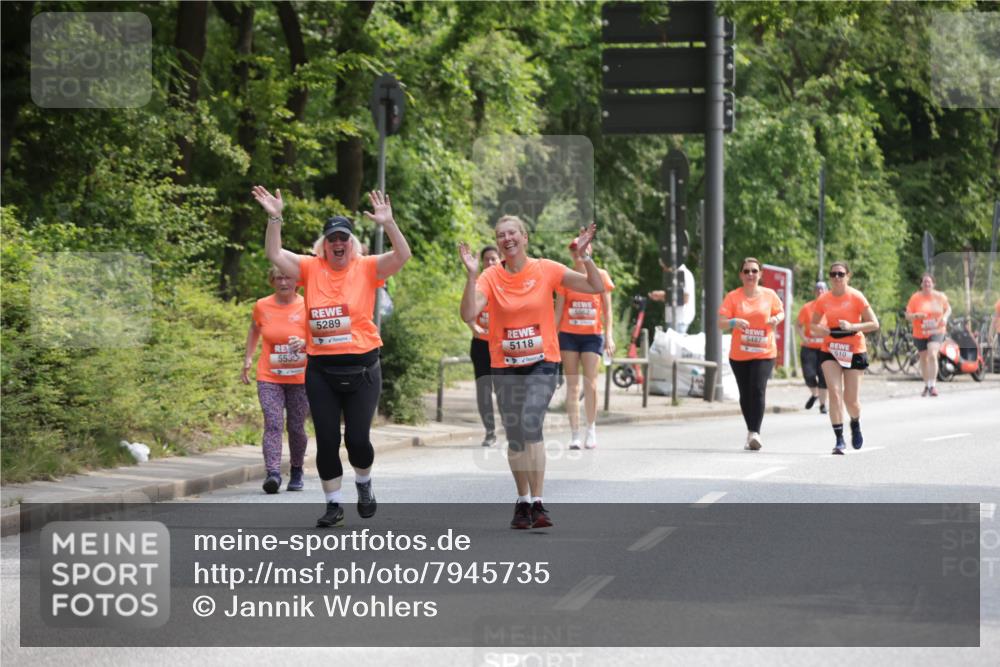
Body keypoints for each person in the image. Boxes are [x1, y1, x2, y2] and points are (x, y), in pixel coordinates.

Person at [252, 185, 411, 527]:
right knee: (326, 440)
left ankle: (364, 484)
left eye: (344, 239)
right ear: (323, 245)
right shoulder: (310, 268)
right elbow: (274, 253)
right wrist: (275, 218)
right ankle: (333, 503)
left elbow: (402, 256)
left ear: (352, 244)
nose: (338, 244)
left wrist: (388, 223)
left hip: (363, 366)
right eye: (332, 239)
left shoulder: (367, 267)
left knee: (357, 440)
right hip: (321, 369)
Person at [459, 217, 603, 529]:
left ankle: (538, 502)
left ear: (524, 237)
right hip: (505, 365)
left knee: (530, 421)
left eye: (512, 233)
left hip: (542, 362)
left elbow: (595, 286)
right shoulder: (490, 276)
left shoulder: (546, 269)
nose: (507, 238)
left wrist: (585, 257)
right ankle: (522, 500)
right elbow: (468, 312)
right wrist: (471, 277)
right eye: (500, 235)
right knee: (515, 434)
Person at [241, 267, 309, 494]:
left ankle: (297, 469)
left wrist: (305, 343)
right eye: (278, 278)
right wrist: (248, 357)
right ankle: (273, 473)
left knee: (296, 427)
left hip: (300, 377)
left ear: (297, 281)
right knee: (273, 423)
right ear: (272, 281)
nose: (283, 282)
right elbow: (254, 329)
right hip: (270, 376)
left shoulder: (307, 305)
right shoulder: (262, 305)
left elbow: (319, 335)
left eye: (288, 277)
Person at [811, 261, 880, 455]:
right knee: (834, 392)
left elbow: (874, 323)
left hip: (854, 348)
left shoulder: (856, 296)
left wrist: (852, 326)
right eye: (833, 274)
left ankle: (855, 423)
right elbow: (813, 325)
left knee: (851, 400)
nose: (837, 278)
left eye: (841, 274)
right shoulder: (824, 299)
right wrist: (822, 330)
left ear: (848, 276)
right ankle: (839, 439)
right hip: (831, 348)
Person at [718, 257, 784, 451]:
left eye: (754, 271)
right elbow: (720, 322)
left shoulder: (769, 295)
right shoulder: (733, 296)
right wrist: (733, 322)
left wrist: (776, 319)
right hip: (739, 354)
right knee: (745, 394)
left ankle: (755, 432)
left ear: (760, 274)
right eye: (746, 271)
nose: (750, 274)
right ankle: (750, 431)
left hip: (765, 351)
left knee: (757, 388)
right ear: (741, 275)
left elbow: (781, 312)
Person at [555, 244, 615, 449]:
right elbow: (558, 312)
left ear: (589, 251)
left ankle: (591, 429)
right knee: (572, 385)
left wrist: (609, 336)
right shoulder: (566, 277)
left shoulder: (601, 275)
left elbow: (608, 310)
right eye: (574, 250)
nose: (577, 253)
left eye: (581, 249)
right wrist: (551, 338)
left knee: (591, 383)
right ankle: (574, 435)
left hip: (592, 335)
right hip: (569, 335)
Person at [466, 246, 502, 447]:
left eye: (493, 259)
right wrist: (473, 325)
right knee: (483, 389)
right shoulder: (478, 283)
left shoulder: (507, 282)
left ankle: (511, 426)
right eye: (487, 259)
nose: (490, 262)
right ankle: (490, 431)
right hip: (481, 344)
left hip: (502, 346)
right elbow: (468, 310)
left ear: (500, 260)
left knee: (504, 389)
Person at [905, 273, 951, 397]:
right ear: (921, 284)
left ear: (933, 284)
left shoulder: (940, 296)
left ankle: (933, 385)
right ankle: (927, 385)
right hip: (919, 332)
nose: (926, 284)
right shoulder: (915, 298)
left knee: (932, 353)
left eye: (929, 282)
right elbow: (907, 315)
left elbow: (948, 309)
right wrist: (916, 316)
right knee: (923, 358)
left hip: (937, 330)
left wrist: (945, 318)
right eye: (924, 282)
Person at [796, 281, 829, 414]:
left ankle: (822, 405)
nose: (820, 291)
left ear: (827, 291)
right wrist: (803, 337)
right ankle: (815, 394)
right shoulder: (807, 307)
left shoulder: (830, 308)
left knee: (824, 377)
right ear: (814, 292)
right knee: (809, 375)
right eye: (818, 289)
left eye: (822, 289)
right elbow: (798, 325)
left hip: (825, 348)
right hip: (809, 347)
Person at [649, 263, 695, 333]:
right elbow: (674, 298)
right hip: (674, 320)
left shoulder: (684, 274)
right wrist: (660, 296)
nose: (664, 270)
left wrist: (663, 295)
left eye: (665, 266)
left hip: (679, 320)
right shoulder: (675, 274)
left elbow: (685, 298)